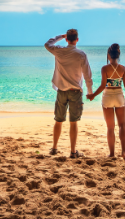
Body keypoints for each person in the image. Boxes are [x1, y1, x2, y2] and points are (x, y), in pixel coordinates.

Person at [44, 29, 93, 158]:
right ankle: (72, 151)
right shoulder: (81, 54)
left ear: (67, 39)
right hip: (75, 92)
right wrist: (90, 92)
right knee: (73, 122)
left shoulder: (59, 51)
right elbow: (88, 76)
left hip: (61, 91)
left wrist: (60, 36)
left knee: (58, 120)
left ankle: (54, 148)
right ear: (77, 39)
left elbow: (47, 44)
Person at [87, 43, 125, 160]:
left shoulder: (104, 68)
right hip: (119, 96)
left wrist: (93, 95)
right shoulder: (123, 69)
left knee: (110, 127)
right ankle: (124, 152)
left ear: (109, 55)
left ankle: (112, 153)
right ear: (118, 55)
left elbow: (103, 85)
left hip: (108, 97)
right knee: (122, 125)